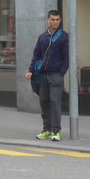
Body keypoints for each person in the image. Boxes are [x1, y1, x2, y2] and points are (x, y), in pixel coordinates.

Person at [26, 9, 69, 141]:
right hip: (43, 75)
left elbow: (67, 57)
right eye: (53, 20)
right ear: (48, 20)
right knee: (44, 102)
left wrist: (61, 73)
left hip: (55, 75)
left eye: (57, 20)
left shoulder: (64, 37)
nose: (55, 22)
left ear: (60, 20)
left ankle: (56, 131)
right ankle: (47, 129)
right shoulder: (42, 37)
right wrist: (31, 70)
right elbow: (36, 55)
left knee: (55, 103)